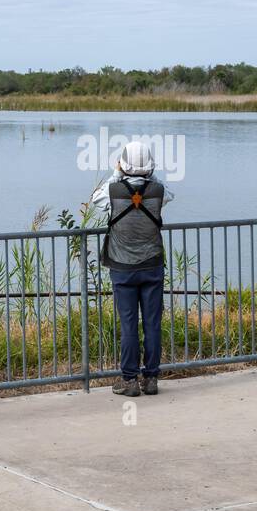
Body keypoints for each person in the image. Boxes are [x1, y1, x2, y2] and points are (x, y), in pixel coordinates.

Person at [90, 141, 174, 396]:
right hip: (152, 266)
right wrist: (150, 174)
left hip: (123, 267)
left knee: (128, 325)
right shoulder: (158, 191)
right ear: (150, 167)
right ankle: (151, 379)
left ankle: (129, 381)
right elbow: (168, 193)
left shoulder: (113, 191)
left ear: (122, 164)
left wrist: (117, 173)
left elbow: (95, 199)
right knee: (152, 324)